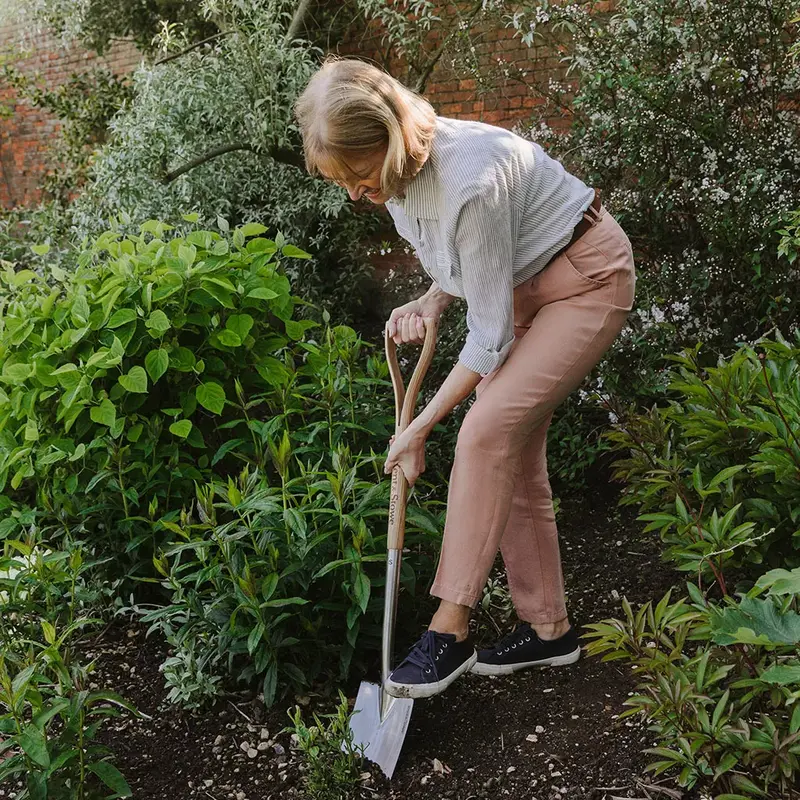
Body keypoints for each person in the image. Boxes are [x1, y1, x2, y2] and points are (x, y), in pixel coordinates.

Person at [294, 56, 635, 700]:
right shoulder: (400, 182)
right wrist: (431, 298)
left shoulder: (471, 178)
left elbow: (489, 337)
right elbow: (466, 262)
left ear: (392, 141)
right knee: (510, 448)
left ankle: (449, 627)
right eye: (342, 182)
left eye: (360, 176)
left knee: (483, 430)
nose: (354, 194)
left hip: (585, 281)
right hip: (522, 287)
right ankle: (549, 630)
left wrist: (420, 428)